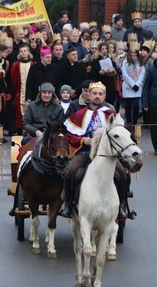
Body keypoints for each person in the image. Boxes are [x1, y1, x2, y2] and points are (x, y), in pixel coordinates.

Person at [59, 81, 115, 218]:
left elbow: (119, 134)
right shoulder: (79, 114)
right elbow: (70, 135)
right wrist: (83, 140)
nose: (97, 96)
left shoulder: (111, 113)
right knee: (71, 171)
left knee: (122, 174)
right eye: (94, 93)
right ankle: (67, 204)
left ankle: (121, 206)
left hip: (106, 154)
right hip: (85, 153)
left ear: (104, 96)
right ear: (88, 95)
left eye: (100, 94)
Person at [121, 42, 145, 128]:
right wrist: (132, 84)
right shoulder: (125, 61)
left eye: (135, 53)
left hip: (137, 86)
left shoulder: (140, 62)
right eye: (132, 53)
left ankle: (135, 122)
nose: (133, 55)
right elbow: (124, 74)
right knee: (128, 105)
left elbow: (142, 74)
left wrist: (137, 84)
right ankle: (128, 121)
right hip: (128, 86)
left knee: (135, 105)